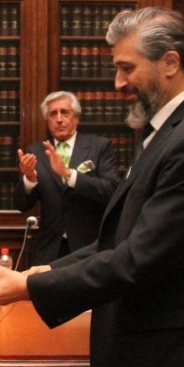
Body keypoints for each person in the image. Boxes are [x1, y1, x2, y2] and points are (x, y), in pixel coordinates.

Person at [0, 7, 184, 367]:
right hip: (148, 340)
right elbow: (120, 239)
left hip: (177, 349)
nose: (118, 83)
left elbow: (140, 258)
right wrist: (45, 271)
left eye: (127, 68)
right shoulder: (165, 132)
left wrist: (29, 289)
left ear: (169, 62)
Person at [14, 91, 120, 266]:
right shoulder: (36, 152)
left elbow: (111, 191)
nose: (59, 119)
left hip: (89, 249)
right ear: (47, 121)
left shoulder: (99, 147)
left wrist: (69, 175)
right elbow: (21, 204)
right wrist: (29, 179)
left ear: (76, 118)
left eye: (64, 112)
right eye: (53, 114)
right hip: (50, 250)